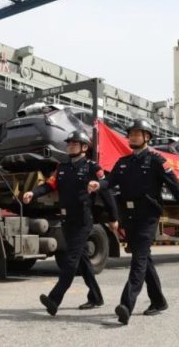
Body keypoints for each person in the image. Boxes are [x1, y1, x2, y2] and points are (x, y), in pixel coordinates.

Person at [106, 118, 179, 325]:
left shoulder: (157, 161)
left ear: (147, 137)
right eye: (130, 134)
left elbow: (175, 186)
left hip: (148, 217)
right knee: (144, 259)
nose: (132, 137)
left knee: (138, 259)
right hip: (129, 217)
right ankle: (158, 301)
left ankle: (126, 305)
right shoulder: (123, 162)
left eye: (137, 134)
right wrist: (97, 184)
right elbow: (108, 182)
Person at [23, 130, 119, 316]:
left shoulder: (92, 167)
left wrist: (113, 217)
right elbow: (49, 185)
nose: (70, 146)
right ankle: (96, 297)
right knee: (82, 260)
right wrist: (32, 193)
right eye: (69, 143)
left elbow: (106, 192)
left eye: (74, 143)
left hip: (83, 221)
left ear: (84, 147)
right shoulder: (62, 167)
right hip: (67, 220)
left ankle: (54, 299)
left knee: (71, 260)